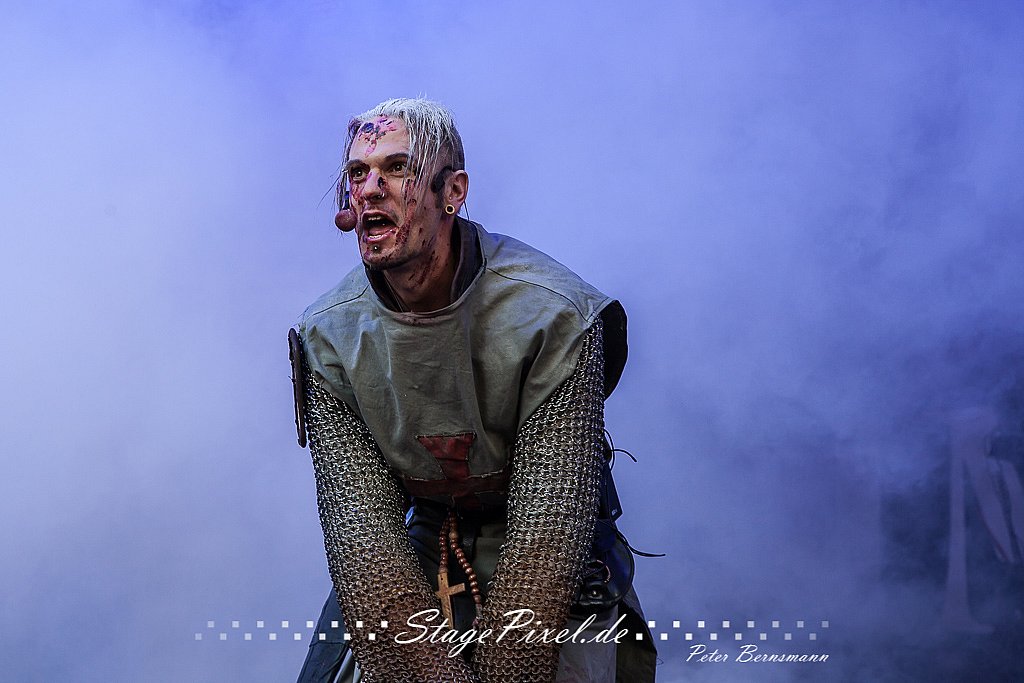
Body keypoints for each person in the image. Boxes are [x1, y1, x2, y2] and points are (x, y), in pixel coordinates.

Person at [290, 98, 656, 682]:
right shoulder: (329, 337)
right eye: (358, 172)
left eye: (398, 168)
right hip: (421, 547)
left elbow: (547, 532)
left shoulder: (553, 314)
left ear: (453, 191)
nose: (371, 189)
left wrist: (511, 663)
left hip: (549, 553)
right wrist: (417, 665)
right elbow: (367, 547)